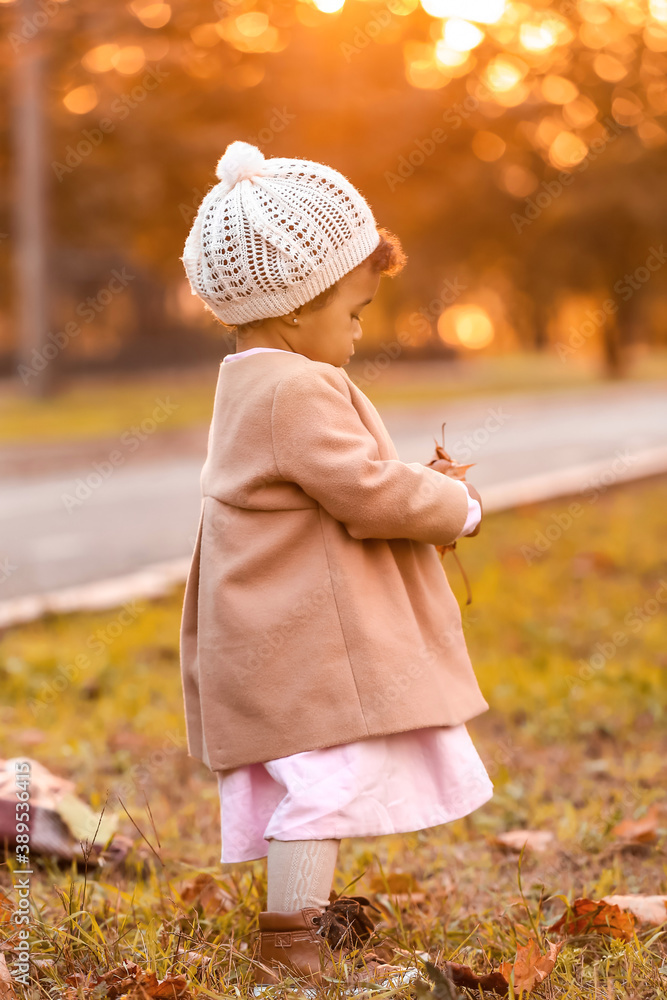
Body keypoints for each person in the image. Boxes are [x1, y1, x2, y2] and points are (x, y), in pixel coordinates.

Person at [179, 140, 493, 989]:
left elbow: (332, 483)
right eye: (353, 312)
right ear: (293, 309)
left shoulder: (251, 377)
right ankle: (292, 951)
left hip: (276, 633)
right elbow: (359, 489)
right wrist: (451, 508)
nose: (359, 330)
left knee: (317, 777)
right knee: (325, 777)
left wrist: (406, 483)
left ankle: (306, 927)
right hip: (303, 641)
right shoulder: (294, 387)